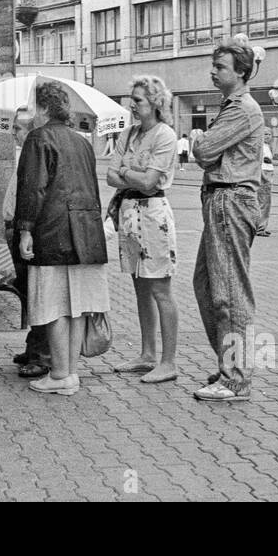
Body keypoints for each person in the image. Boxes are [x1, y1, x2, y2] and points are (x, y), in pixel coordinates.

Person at [15, 82, 110, 396]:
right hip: (86, 231)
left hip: (53, 230)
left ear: (43, 108)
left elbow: (32, 188)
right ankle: (70, 372)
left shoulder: (38, 138)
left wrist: (25, 230)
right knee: (77, 305)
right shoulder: (82, 142)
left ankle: (58, 373)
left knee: (54, 302)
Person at [192, 38, 265, 402]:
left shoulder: (242, 109)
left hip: (230, 198)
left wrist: (196, 138)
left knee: (229, 293)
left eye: (220, 66)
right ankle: (229, 365)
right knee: (207, 287)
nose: (213, 71)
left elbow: (204, 150)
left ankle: (236, 378)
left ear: (240, 72)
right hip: (221, 199)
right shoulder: (231, 107)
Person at [108, 75, 179, 385]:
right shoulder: (129, 134)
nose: (132, 105)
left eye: (138, 100)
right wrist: (130, 174)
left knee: (160, 288)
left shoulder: (164, 135)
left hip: (153, 215)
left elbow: (151, 183)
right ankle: (148, 353)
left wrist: (125, 171)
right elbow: (110, 176)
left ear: (155, 103)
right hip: (130, 213)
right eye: (131, 99)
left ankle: (169, 361)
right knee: (139, 285)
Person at [6, 108, 49, 378]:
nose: (13, 133)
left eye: (18, 128)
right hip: (15, 228)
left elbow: (32, 196)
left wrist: (25, 231)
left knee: (35, 293)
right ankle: (33, 346)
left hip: (26, 231)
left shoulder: (33, 156)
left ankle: (40, 354)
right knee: (27, 291)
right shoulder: (22, 155)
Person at [256, 128, 275, 238]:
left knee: (264, 202)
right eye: (265, 134)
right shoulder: (260, 146)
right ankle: (260, 228)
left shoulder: (267, 146)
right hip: (264, 175)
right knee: (264, 202)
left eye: (269, 134)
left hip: (268, 173)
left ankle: (261, 227)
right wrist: (264, 177)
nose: (268, 136)